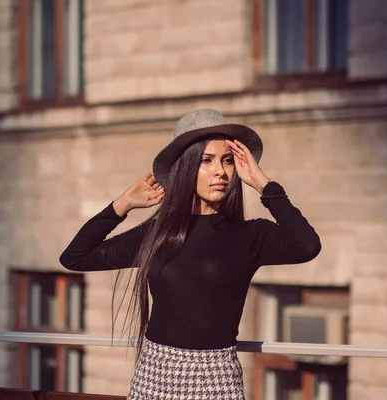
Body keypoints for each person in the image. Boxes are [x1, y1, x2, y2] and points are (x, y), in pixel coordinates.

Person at [59, 109, 321, 399]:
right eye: (206, 161)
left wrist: (263, 183)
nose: (220, 171)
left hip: (217, 378)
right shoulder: (157, 234)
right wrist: (122, 205)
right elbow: (75, 257)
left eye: (228, 160)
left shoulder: (250, 235)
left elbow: (307, 245)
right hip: (155, 375)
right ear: (185, 168)